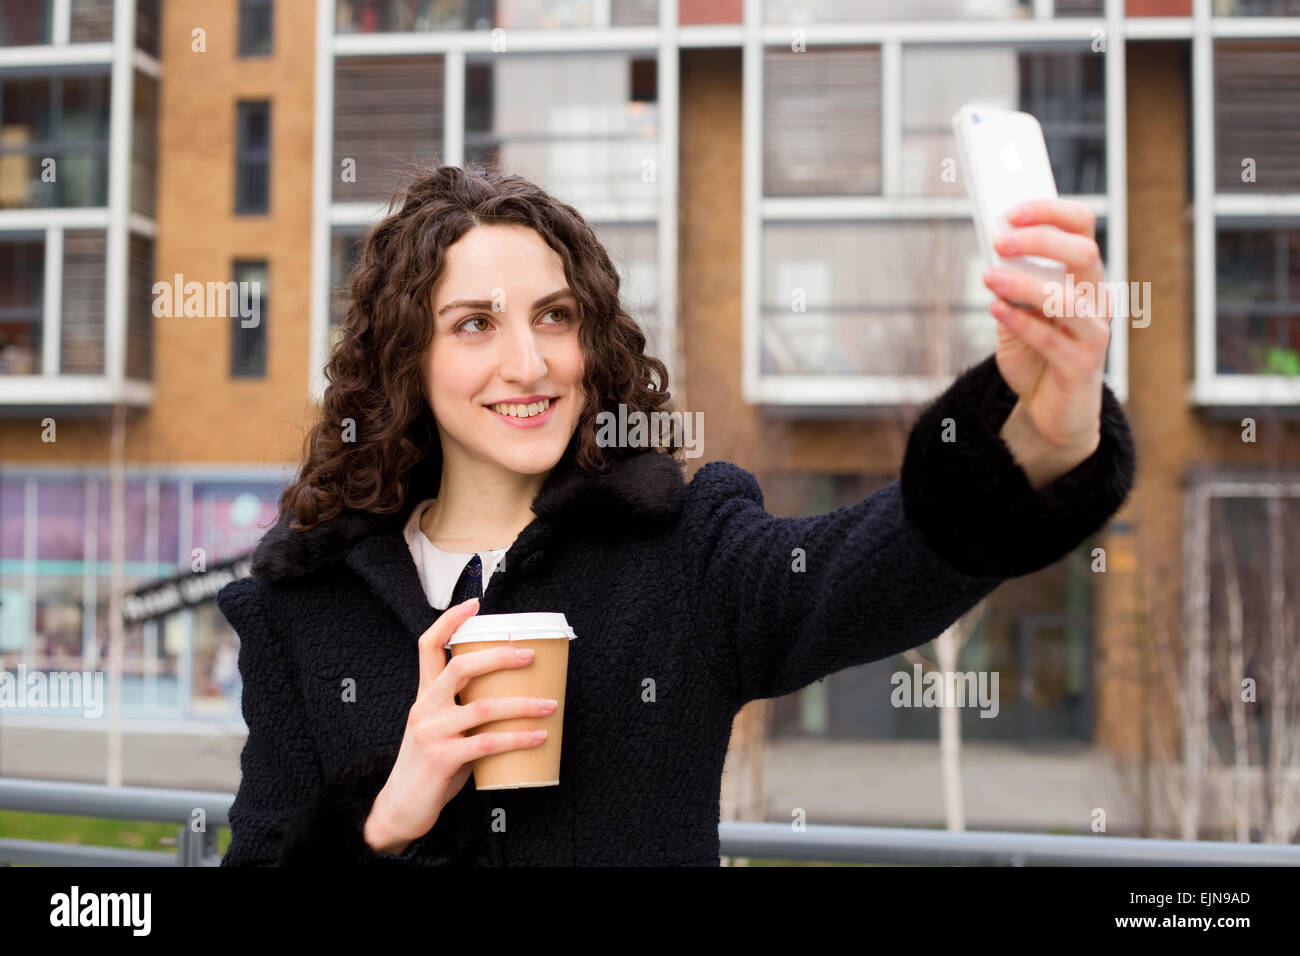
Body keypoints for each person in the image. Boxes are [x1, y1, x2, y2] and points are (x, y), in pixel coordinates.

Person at [215, 164, 1136, 867]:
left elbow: (879, 565)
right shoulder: (305, 605)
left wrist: (1039, 434)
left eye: (554, 316)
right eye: (474, 324)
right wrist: (388, 816)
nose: (530, 364)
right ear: (406, 360)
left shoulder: (683, 554)